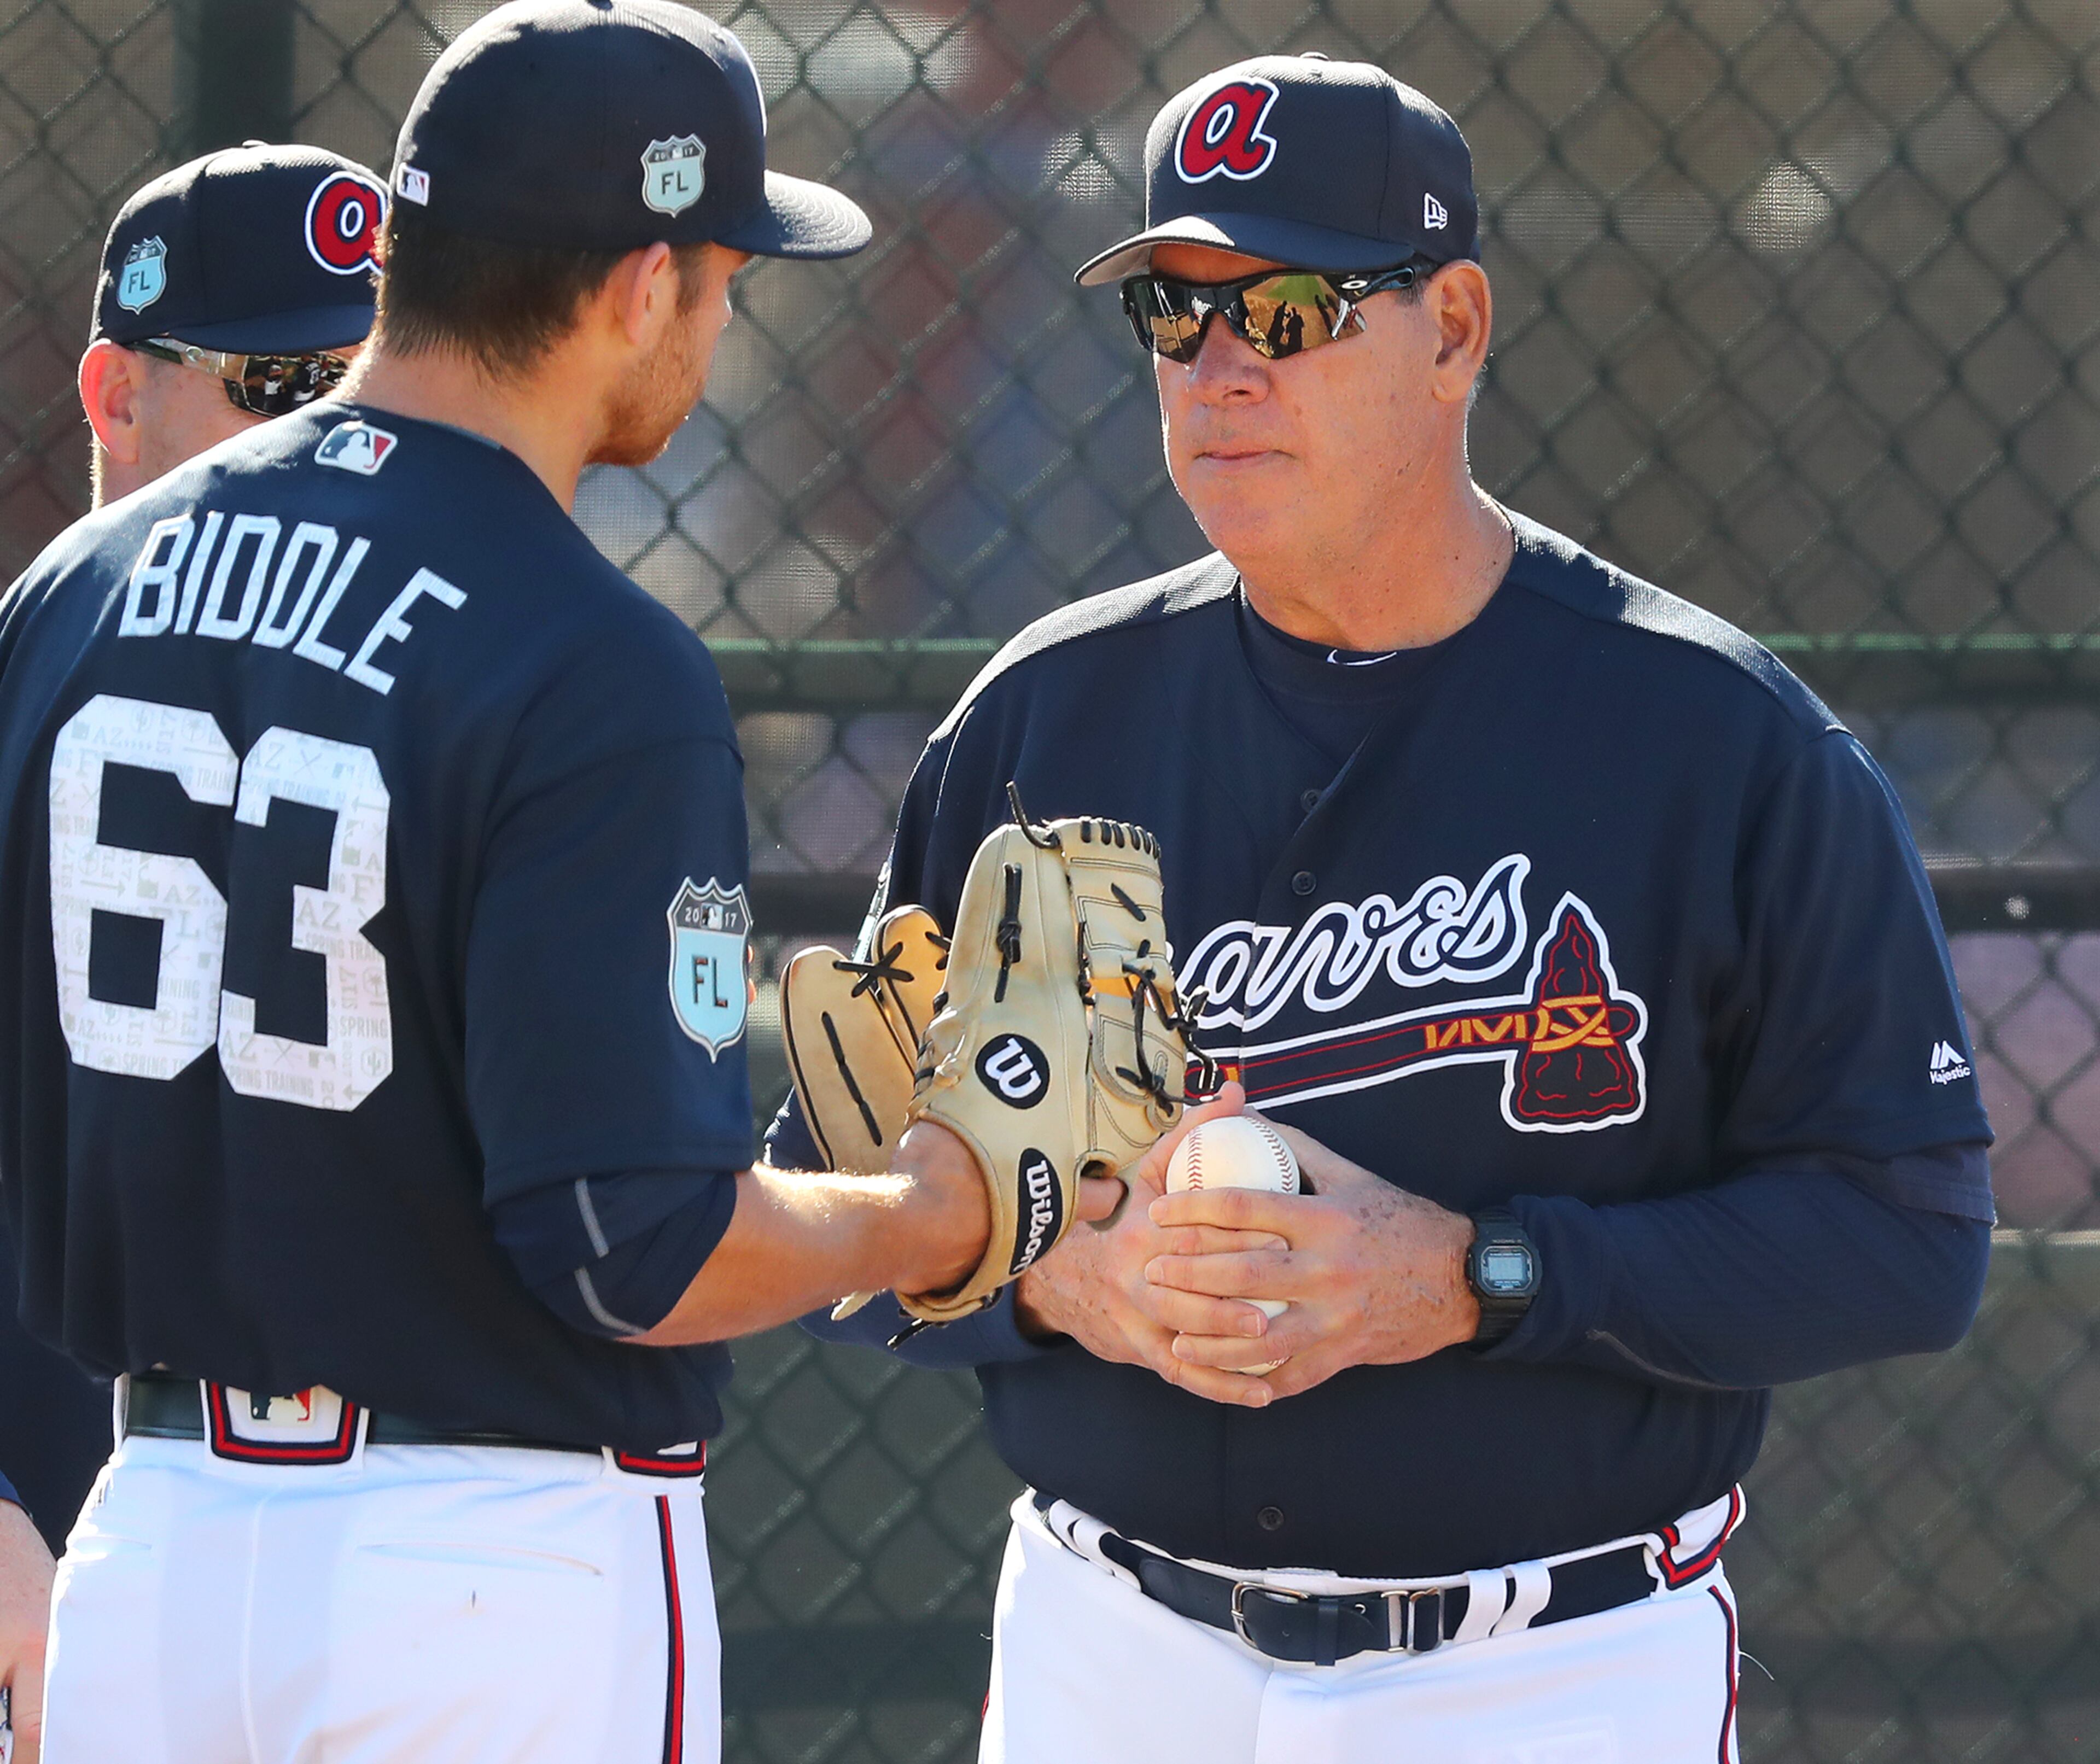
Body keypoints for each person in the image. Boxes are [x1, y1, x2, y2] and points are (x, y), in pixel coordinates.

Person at [775, 53, 1995, 1763]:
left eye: (1285, 309)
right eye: (1175, 319)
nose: (1217, 373)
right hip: (1110, 1646)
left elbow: (1907, 1240)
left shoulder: (1719, 744)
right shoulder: (1042, 723)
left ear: (1455, 327)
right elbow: (856, 1186)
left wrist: (1473, 1273)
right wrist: (1057, 1279)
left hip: (1547, 1662)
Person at [0, 5, 1001, 1760]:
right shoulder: (588, 656)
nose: (721, 316)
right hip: (480, 1573)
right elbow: (636, 1249)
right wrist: (936, 1212)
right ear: (638, 287)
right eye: (721, 273)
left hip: (146, 1553)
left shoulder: (82, 587)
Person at [0, 141, 386, 1764]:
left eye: (374, 382)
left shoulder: (435, 704)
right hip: (51, 1520)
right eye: (284, 378)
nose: (339, 440)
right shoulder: (24, 678)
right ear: (113, 393)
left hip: (352, 1569)